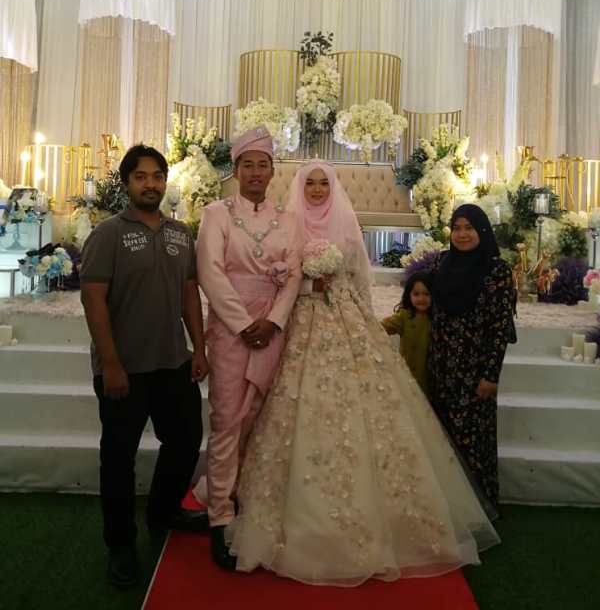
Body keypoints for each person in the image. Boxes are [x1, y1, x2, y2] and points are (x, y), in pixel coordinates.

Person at [227, 162, 499, 586]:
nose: (317, 190)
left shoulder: (346, 226)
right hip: (298, 319)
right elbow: (278, 278)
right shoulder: (286, 224)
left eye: (324, 183)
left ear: (333, 187)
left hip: (346, 319)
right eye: (311, 183)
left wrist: (361, 316)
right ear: (300, 186)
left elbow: (357, 279)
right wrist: (307, 287)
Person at [80, 144, 209, 589]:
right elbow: (93, 298)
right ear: (127, 183)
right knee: (118, 459)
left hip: (172, 361)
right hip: (124, 368)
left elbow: (189, 292)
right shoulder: (109, 234)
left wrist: (199, 348)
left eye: (157, 176)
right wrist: (110, 363)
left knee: (186, 440)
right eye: (141, 177)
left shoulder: (180, 234)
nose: (150, 184)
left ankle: (163, 512)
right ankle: (120, 544)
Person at [193, 126, 302, 570]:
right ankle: (220, 514)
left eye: (263, 165)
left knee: (258, 415)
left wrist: (273, 321)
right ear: (235, 171)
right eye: (248, 165)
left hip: (271, 329)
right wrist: (242, 324)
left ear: (273, 172)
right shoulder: (216, 214)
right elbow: (210, 272)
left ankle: (246, 496)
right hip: (230, 329)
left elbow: (294, 274)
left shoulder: (289, 219)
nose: (256, 172)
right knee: (226, 419)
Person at [429, 204, 517, 509]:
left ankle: (479, 508)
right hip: (441, 367)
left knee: (473, 442)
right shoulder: (441, 262)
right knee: (442, 440)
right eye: (456, 228)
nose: (462, 234)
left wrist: (490, 376)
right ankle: (449, 510)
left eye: (469, 228)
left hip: (474, 371)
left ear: (482, 231)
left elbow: (500, 327)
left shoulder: (497, 270)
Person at [381, 270, 433, 393]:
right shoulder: (404, 316)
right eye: (416, 294)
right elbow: (384, 326)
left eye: (426, 294)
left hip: (428, 376)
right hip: (407, 372)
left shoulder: (436, 317)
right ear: (408, 295)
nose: (421, 298)